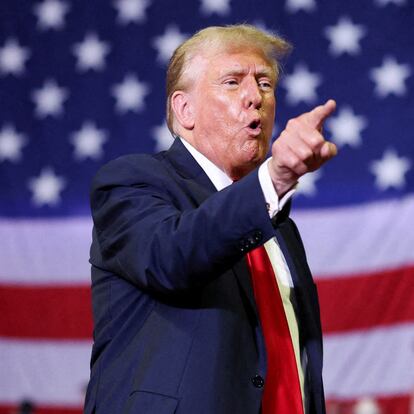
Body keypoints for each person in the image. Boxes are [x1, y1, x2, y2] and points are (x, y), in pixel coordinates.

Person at [84, 24, 337, 414]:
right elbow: (172, 255)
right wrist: (275, 179)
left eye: (265, 84)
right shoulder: (131, 182)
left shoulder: (279, 225)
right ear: (184, 109)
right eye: (233, 82)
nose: (255, 98)